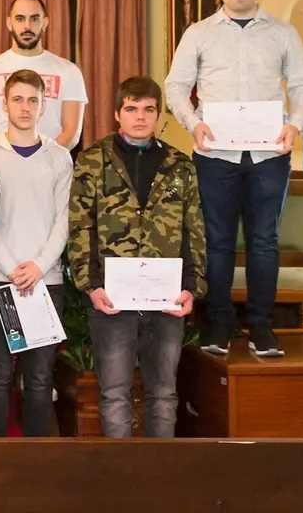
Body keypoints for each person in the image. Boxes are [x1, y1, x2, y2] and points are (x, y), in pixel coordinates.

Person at [164, 0, 303, 358]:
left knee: (265, 241)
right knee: (218, 241)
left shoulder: (282, 33)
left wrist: (295, 124)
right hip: (215, 154)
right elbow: (175, 85)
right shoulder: (198, 33)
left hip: (269, 154)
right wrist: (194, 123)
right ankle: (218, 324)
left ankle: (262, 327)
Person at [68, 76, 205, 438]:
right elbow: (80, 227)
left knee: (164, 395)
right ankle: (120, 481)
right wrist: (90, 285)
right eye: (131, 108)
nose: (140, 117)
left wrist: (192, 287)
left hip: (166, 301)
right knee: (114, 395)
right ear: (117, 114)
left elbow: (194, 230)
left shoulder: (180, 165)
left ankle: (161, 479)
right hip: (111, 299)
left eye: (148, 109)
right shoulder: (92, 160)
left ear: (159, 115)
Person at [0, 70, 73, 437]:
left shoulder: (59, 157)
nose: (25, 107)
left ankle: (35, 458)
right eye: (17, 99)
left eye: (33, 100)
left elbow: (62, 220)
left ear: (43, 104)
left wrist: (39, 266)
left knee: (39, 377)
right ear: (4, 103)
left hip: (45, 282)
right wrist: (13, 266)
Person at [0, 0, 88, 150]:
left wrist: (43, 160)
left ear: (45, 23)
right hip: (2, 167)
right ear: (9, 23)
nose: (27, 26)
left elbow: (71, 134)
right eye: (20, 18)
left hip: (52, 167)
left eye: (34, 19)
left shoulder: (69, 71)